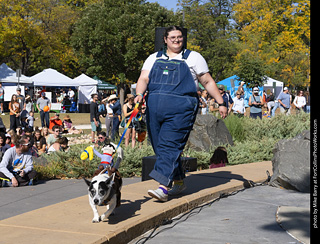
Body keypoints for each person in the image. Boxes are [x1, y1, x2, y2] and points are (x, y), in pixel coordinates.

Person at [134, 26, 227, 202]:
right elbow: (144, 78)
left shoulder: (194, 57)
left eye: (180, 37)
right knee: (160, 147)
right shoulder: (154, 58)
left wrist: (221, 102)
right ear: (165, 39)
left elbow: (207, 80)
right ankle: (178, 181)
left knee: (169, 144)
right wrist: (139, 95)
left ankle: (163, 186)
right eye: (173, 37)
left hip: (181, 110)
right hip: (154, 109)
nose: (176, 40)